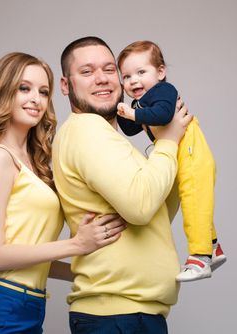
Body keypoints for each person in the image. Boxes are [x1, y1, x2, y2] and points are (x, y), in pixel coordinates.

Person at [0, 52, 126, 334]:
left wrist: (91, 274)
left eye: (43, 92)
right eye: (24, 88)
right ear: (1, 92)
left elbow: (34, 257)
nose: (36, 99)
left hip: (30, 307)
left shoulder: (36, 163)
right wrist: (77, 245)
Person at [52, 36, 192, 334]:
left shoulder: (111, 139)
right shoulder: (87, 130)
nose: (102, 79)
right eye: (87, 72)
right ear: (66, 85)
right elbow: (141, 208)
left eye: (108, 69)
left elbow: (155, 215)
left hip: (134, 314)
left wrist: (168, 147)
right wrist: (168, 143)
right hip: (116, 316)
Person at [116, 41, 227, 282]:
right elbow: (129, 127)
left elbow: (164, 115)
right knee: (194, 201)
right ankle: (213, 246)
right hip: (179, 155)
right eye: (126, 76)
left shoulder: (163, 92)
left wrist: (133, 113)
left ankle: (199, 258)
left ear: (161, 72)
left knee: (194, 203)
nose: (133, 81)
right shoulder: (141, 101)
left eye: (141, 72)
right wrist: (121, 108)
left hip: (191, 153)